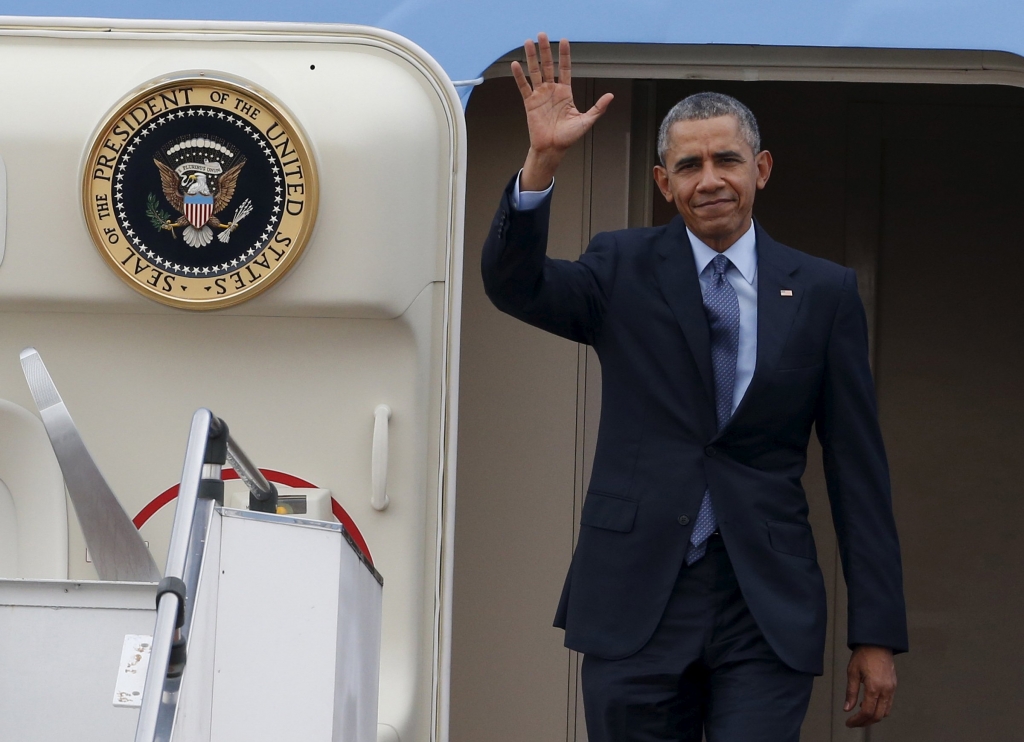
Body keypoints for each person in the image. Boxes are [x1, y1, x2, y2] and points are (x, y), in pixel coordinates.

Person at [481, 33, 908, 742]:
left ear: (760, 168)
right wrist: (542, 163)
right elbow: (515, 286)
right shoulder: (619, 266)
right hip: (635, 595)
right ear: (664, 183)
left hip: (763, 602)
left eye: (726, 160)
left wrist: (877, 633)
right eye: (689, 165)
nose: (709, 179)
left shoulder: (824, 292)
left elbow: (858, 470)